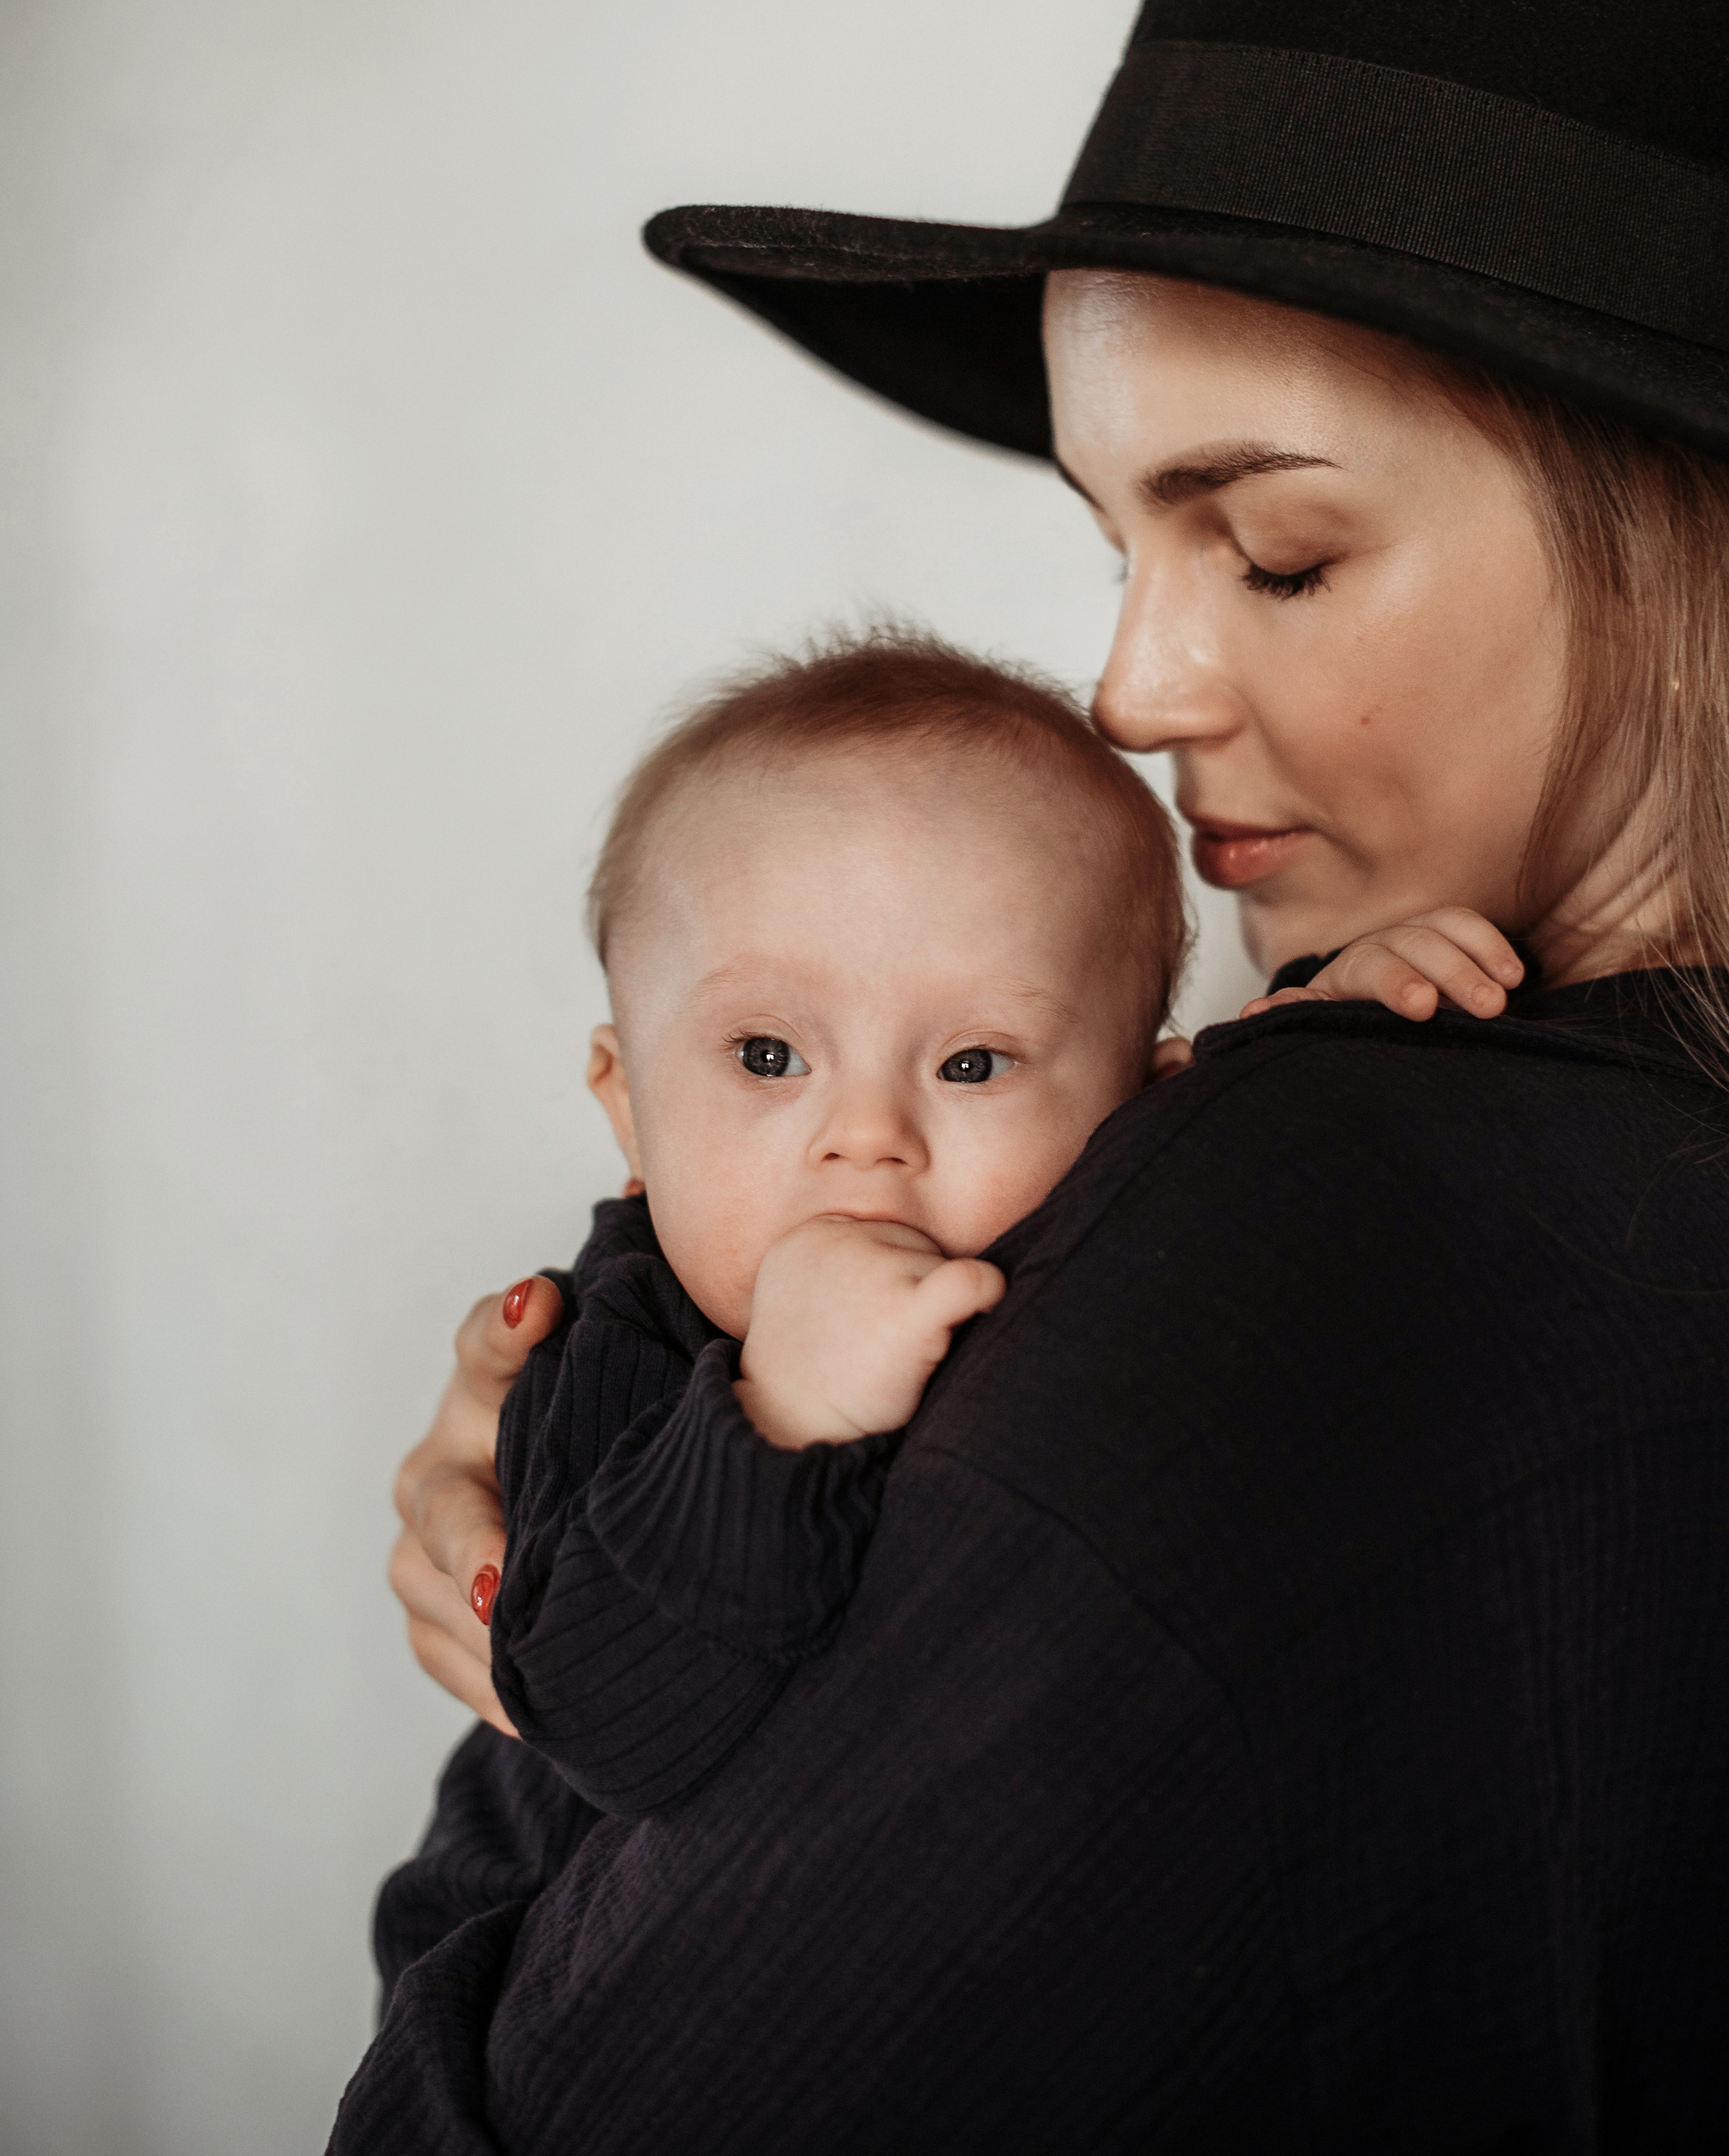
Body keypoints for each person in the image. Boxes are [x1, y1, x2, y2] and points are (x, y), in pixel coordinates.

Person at [325, 0, 1729, 2156]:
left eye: (1276, 551)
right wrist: (648, 1439)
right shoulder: (1394, 1142)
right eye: (1112, 544)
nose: (1133, 687)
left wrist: (549, 1720)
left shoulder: (1309, 1215)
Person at [373, 625, 1522, 1987]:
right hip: (516, 1980)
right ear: (628, 1107)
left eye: (973, 1063)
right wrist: (775, 1418)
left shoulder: (1099, 1231)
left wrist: (1326, 1040)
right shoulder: (618, 1346)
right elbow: (609, 1729)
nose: (866, 1137)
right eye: (766, 1054)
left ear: (1146, 1112)